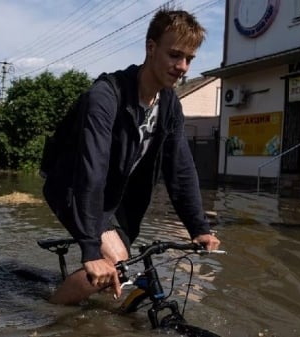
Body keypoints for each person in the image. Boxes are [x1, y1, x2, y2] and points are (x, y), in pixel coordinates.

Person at [42, 8, 221, 305]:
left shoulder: (169, 105)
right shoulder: (105, 96)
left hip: (116, 197)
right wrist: (89, 247)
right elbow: (91, 168)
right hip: (72, 185)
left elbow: (180, 169)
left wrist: (198, 227)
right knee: (114, 260)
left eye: (190, 59)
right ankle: (48, 313)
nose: (183, 67)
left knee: (118, 269)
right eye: (175, 55)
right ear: (151, 48)